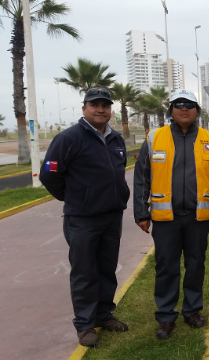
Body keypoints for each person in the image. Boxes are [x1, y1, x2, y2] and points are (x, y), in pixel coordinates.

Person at [133, 89, 209, 340]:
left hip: (199, 217)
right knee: (166, 267)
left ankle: (192, 311)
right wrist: (141, 212)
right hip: (166, 219)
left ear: (197, 110)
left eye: (189, 104)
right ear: (171, 110)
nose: (183, 108)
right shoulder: (154, 138)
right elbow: (142, 178)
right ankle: (166, 316)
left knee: (196, 265)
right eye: (178, 104)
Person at [39, 88, 130, 347]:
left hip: (112, 216)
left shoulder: (116, 139)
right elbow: (50, 175)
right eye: (94, 105)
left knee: (106, 269)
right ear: (84, 108)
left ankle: (104, 315)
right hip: (83, 219)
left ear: (111, 109)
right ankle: (85, 324)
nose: (100, 109)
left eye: (105, 105)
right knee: (84, 272)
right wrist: (75, 199)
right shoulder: (68, 138)